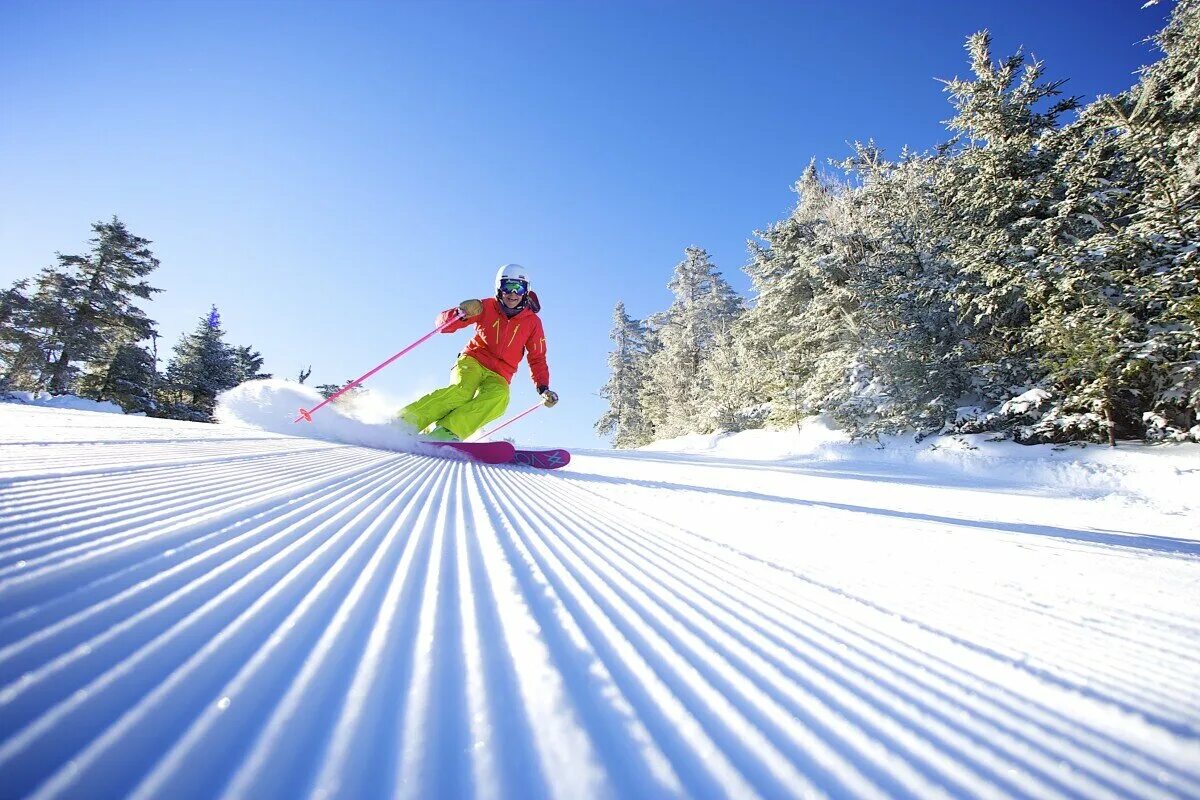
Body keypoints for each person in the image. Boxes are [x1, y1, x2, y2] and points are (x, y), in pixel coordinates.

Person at [397, 264, 558, 442]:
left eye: (518, 288)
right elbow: (442, 325)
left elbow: (537, 357)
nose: (513, 294)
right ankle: (406, 423)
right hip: (473, 360)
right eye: (507, 287)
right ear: (499, 288)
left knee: (498, 398)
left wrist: (543, 388)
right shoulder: (486, 306)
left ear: (526, 291)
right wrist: (461, 313)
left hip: (500, 374)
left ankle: (447, 433)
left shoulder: (533, 323)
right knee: (461, 392)